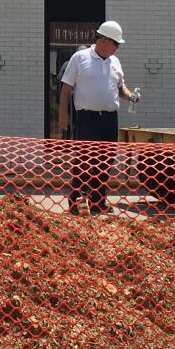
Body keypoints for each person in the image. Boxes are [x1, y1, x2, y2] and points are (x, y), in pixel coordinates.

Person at [56, 21, 139, 214]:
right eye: (115, 43)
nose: (117, 48)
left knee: (105, 161)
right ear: (102, 40)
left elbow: (120, 89)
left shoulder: (115, 62)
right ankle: (76, 201)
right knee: (85, 160)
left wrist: (131, 96)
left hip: (110, 119)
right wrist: (63, 114)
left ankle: (98, 202)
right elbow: (66, 87)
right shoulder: (80, 58)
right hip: (87, 118)